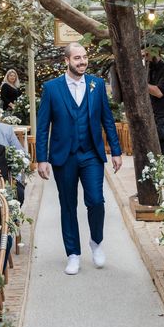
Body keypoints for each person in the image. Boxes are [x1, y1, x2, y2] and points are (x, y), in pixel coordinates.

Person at [36, 42, 122, 275]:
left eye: (84, 57)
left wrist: (115, 150)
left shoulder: (96, 85)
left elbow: (107, 119)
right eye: (77, 58)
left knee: (96, 200)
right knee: (68, 206)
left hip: (91, 153)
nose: (82, 61)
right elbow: (43, 126)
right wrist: (41, 159)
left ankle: (96, 242)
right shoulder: (51, 88)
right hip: (63, 156)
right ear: (66, 61)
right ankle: (73, 254)